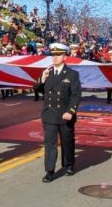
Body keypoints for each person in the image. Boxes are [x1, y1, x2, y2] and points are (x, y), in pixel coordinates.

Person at [36, 42, 81, 183]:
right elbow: (37, 90)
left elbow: (76, 95)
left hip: (64, 114)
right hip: (49, 113)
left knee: (67, 141)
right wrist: (42, 79)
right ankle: (49, 171)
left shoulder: (72, 74)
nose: (55, 57)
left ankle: (68, 165)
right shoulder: (47, 72)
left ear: (65, 57)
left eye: (58, 55)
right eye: (53, 55)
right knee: (50, 143)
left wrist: (70, 111)